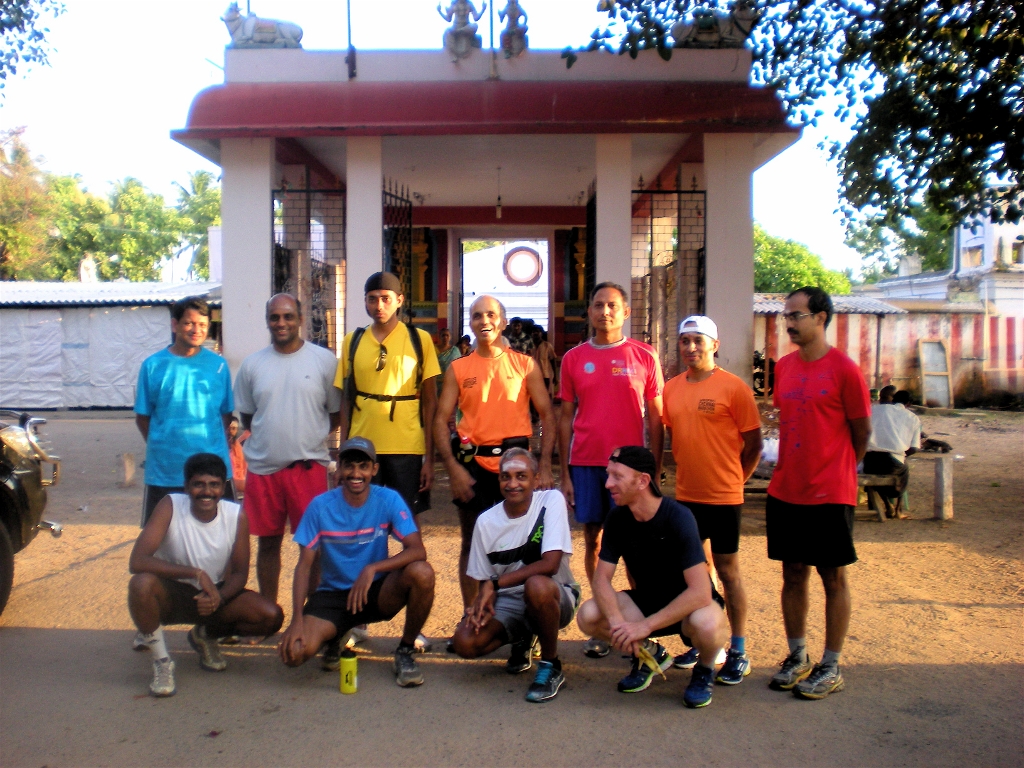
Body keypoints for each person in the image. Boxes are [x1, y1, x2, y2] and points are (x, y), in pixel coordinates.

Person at [766, 286, 871, 700]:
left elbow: (861, 432)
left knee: (833, 576)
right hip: (787, 489)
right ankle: (797, 656)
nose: (789, 323)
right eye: (786, 316)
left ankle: (831, 664)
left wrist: (838, 469)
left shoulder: (845, 370)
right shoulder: (785, 367)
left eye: (797, 315)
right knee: (792, 573)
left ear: (821, 318)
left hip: (830, 492)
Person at [576, 447, 729, 709]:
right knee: (589, 615)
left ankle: (704, 670)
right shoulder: (617, 517)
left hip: (689, 607)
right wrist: (618, 624)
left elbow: (701, 592)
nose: (608, 483)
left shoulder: (678, 516)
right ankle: (651, 654)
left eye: (617, 476)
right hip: (647, 601)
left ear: (643, 481)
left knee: (707, 623)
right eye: (608, 475)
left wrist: (645, 626)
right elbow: (601, 579)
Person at [558, 282, 664, 658]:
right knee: (594, 540)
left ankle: (638, 623)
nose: (605, 311)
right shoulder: (573, 358)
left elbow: (657, 418)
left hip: (631, 469)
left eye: (612, 306)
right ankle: (603, 619)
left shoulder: (645, 355)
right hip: (587, 463)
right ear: (589, 311)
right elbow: (565, 418)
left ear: (625, 312)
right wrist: (565, 474)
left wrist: (656, 469)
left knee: (635, 546)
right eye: (598, 305)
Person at [278, 437, 436, 688]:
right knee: (293, 655)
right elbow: (303, 567)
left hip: (375, 592)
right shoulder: (320, 506)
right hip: (333, 595)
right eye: (349, 465)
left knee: (422, 573)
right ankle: (336, 636)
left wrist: (373, 568)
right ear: (339, 468)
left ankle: (405, 651)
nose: (356, 473)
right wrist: (296, 620)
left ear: (374, 469)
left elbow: (417, 550)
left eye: (363, 466)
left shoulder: (388, 499)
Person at [128, 453, 283, 697]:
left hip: (214, 593)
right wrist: (195, 573)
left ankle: (205, 635)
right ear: (186, 487)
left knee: (270, 616)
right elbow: (137, 561)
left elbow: (240, 572)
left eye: (214, 485)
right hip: (173, 592)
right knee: (141, 584)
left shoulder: (236, 515)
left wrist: (219, 598)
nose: (206, 492)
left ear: (223, 488)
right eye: (198, 484)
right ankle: (162, 661)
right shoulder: (170, 505)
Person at [434, 295, 556, 609]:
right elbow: (440, 419)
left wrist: (543, 465)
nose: (484, 321)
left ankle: (519, 617)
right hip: (472, 466)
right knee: (471, 542)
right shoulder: (459, 368)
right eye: (477, 316)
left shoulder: (524, 365)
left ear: (502, 321)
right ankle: (471, 614)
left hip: (516, 465)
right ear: (470, 323)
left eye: (490, 315)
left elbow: (547, 414)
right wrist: (452, 468)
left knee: (524, 542)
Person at [661, 315, 763, 682]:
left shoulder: (734, 388)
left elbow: (754, 445)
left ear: (714, 346)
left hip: (724, 499)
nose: (690, 347)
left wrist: (736, 482)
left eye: (698, 341)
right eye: (685, 340)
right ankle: (705, 641)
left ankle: (738, 649)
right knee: (694, 573)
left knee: (728, 572)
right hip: (687, 496)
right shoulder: (671, 389)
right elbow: (677, 435)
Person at [233, 294, 342, 606]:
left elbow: (335, 413)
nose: (281, 323)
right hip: (263, 469)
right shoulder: (252, 365)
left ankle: (313, 614)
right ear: (267, 321)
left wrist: (307, 436)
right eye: (274, 317)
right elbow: (248, 417)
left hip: (308, 468)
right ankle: (269, 613)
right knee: (268, 544)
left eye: (288, 316)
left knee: (312, 547)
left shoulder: (324, 361)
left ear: (301, 319)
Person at [452, 448, 580, 703]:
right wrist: (482, 605)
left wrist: (495, 584)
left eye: (521, 476)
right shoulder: (486, 522)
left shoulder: (551, 501)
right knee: (465, 642)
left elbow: (550, 564)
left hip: (555, 593)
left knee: (537, 586)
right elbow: (485, 580)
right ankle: (524, 636)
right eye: (505, 477)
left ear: (535, 479)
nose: (512, 484)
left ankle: (551, 664)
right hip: (509, 599)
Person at [337, 272, 441, 517]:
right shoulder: (353, 341)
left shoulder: (419, 340)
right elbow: (346, 401)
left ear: (399, 300)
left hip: (407, 446)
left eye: (386, 298)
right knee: (362, 518)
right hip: (362, 444)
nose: (379, 305)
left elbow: (430, 402)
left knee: (406, 519)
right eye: (372, 299)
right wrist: (342, 454)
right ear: (365, 301)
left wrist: (429, 459)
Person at [134, 297, 234, 526]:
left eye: (202, 324)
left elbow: (225, 414)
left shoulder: (219, 366)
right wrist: (164, 445)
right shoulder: (152, 365)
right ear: (174, 325)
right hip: (165, 472)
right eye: (189, 323)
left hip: (212, 471)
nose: (196, 330)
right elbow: (142, 417)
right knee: (163, 536)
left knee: (220, 534)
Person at [864, 387, 921, 518]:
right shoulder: (912, 417)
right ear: (909, 403)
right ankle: (898, 509)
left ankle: (887, 504)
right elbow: (914, 448)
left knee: (872, 472)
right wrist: (902, 455)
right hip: (893, 464)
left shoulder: (871, 410)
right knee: (904, 468)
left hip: (870, 462)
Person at [530, 328, 558, 399]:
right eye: (534, 332)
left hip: (544, 375)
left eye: (537, 331)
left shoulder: (547, 346)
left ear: (541, 333)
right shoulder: (529, 346)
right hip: (531, 376)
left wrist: (555, 376)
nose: (535, 333)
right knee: (532, 397)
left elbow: (553, 360)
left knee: (543, 396)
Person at [227, 415, 248, 497]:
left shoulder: (238, 446)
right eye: (229, 428)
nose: (231, 431)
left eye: (234, 428)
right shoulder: (220, 447)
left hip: (241, 480)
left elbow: (244, 467)